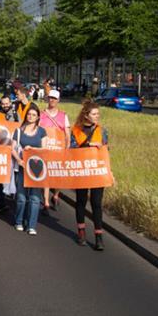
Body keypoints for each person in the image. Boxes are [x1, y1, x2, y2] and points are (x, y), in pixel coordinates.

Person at [71, 101, 109, 251]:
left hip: (97, 171)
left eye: (98, 114)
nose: (97, 117)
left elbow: (106, 151)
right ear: (86, 115)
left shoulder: (102, 131)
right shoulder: (76, 130)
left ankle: (98, 235)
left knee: (96, 203)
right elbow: (72, 150)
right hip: (81, 171)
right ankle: (81, 231)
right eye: (94, 114)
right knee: (81, 201)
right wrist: (89, 146)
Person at [11, 104, 46, 236]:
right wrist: (19, 161)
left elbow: (45, 149)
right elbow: (12, 148)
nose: (31, 117)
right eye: (29, 114)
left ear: (37, 117)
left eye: (34, 115)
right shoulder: (19, 131)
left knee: (35, 198)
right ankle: (19, 221)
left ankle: (31, 225)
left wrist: (33, 149)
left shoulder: (42, 131)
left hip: (37, 169)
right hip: (22, 167)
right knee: (21, 197)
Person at [39, 89, 70, 213]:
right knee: (45, 176)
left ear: (58, 100)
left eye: (54, 98)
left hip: (58, 150)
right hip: (45, 149)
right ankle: (46, 202)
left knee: (58, 176)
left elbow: (67, 133)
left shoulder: (63, 115)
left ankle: (56, 194)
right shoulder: (41, 114)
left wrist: (67, 148)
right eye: (50, 98)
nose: (52, 100)